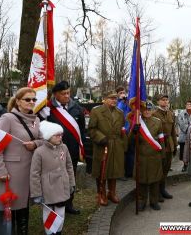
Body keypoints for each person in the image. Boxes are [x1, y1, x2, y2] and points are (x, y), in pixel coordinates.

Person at [0, 87, 41, 235]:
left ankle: (23, 231)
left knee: (23, 205)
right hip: (11, 172)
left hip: (31, 169)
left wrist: (35, 144)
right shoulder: (8, 118)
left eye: (34, 99)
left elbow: (42, 140)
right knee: (11, 205)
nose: (31, 102)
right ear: (18, 101)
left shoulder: (36, 119)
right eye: (27, 99)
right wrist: (0, 171)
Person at [30, 121, 75, 235]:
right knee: (49, 212)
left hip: (62, 186)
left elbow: (69, 166)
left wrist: (71, 183)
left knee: (61, 210)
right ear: (48, 136)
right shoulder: (39, 152)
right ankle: (50, 232)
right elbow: (34, 173)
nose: (60, 137)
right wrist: (37, 193)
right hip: (48, 188)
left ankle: (58, 231)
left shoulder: (64, 148)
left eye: (61, 134)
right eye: (57, 135)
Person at [47, 80, 85, 215]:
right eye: (63, 93)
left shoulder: (77, 109)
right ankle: (55, 204)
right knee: (55, 178)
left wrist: (81, 148)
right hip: (53, 152)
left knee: (70, 177)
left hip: (72, 151)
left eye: (68, 93)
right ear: (56, 94)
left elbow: (81, 131)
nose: (67, 96)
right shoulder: (47, 110)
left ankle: (69, 204)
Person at [88, 91, 127, 206]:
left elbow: (122, 128)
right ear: (104, 99)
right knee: (102, 170)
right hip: (102, 145)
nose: (114, 100)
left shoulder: (120, 112)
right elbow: (91, 129)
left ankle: (112, 193)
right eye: (111, 98)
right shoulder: (96, 111)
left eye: (115, 98)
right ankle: (101, 194)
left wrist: (123, 144)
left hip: (116, 145)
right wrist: (101, 138)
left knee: (114, 170)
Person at [132, 101, 165, 211]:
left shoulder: (158, 122)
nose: (147, 111)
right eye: (145, 109)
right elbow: (129, 141)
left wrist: (163, 155)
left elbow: (161, 140)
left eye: (149, 109)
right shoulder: (137, 122)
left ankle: (154, 201)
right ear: (141, 110)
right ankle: (141, 201)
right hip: (141, 156)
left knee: (154, 180)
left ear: (152, 110)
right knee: (141, 180)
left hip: (154, 156)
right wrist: (133, 131)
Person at [153, 94, 177, 201]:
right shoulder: (154, 114)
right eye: (163, 100)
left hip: (169, 144)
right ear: (158, 102)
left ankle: (162, 189)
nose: (165, 102)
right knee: (159, 169)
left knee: (166, 168)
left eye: (167, 100)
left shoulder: (170, 114)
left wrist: (175, 145)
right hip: (159, 144)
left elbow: (173, 131)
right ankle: (156, 192)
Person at [116, 86, 133, 180]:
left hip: (129, 130)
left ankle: (129, 171)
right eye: (120, 93)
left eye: (124, 92)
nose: (123, 94)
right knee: (122, 153)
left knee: (130, 151)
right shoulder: (118, 103)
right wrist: (122, 101)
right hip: (121, 131)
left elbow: (132, 111)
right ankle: (120, 173)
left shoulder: (127, 103)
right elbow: (119, 112)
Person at [177, 100, 191, 172]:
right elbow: (182, 125)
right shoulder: (181, 114)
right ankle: (185, 165)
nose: (189, 105)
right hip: (184, 137)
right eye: (187, 104)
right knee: (184, 152)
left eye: (190, 104)